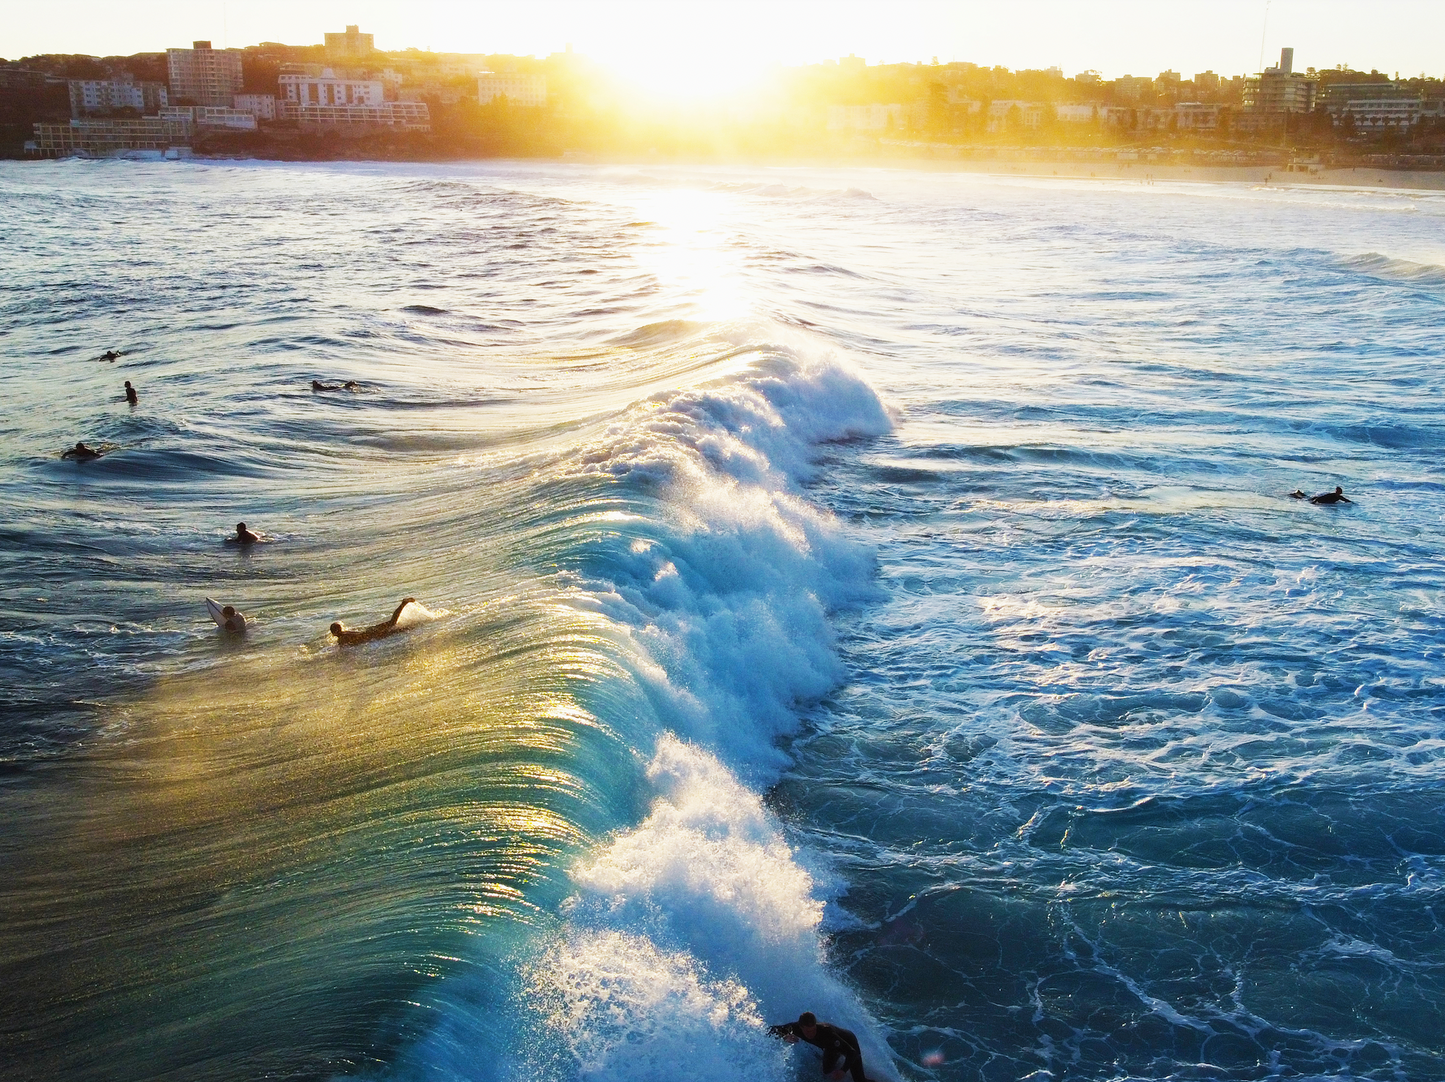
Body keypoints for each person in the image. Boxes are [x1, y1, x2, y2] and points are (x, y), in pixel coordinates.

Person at [768, 1012, 875, 1082]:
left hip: (848, 1041)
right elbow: (771, 1030)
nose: (811, 1033)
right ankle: (834, 1060)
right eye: (808, 1031)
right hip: (830, 1047)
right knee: (826, 1071)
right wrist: (785, 1036)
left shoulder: (826, 1032)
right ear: (801, 1027)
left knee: (859, 1080)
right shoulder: (795, 1028)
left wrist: (843, 1070)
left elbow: (852, 1052)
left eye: (814, 1029)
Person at [330, 598, 418, 646]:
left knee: (393, 625)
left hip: (372, 635)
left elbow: (358, 639)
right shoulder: (344, 633)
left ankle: (404, 604)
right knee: (394, 626)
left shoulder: (342, 639)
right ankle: (414, 622)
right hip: (370, 631)